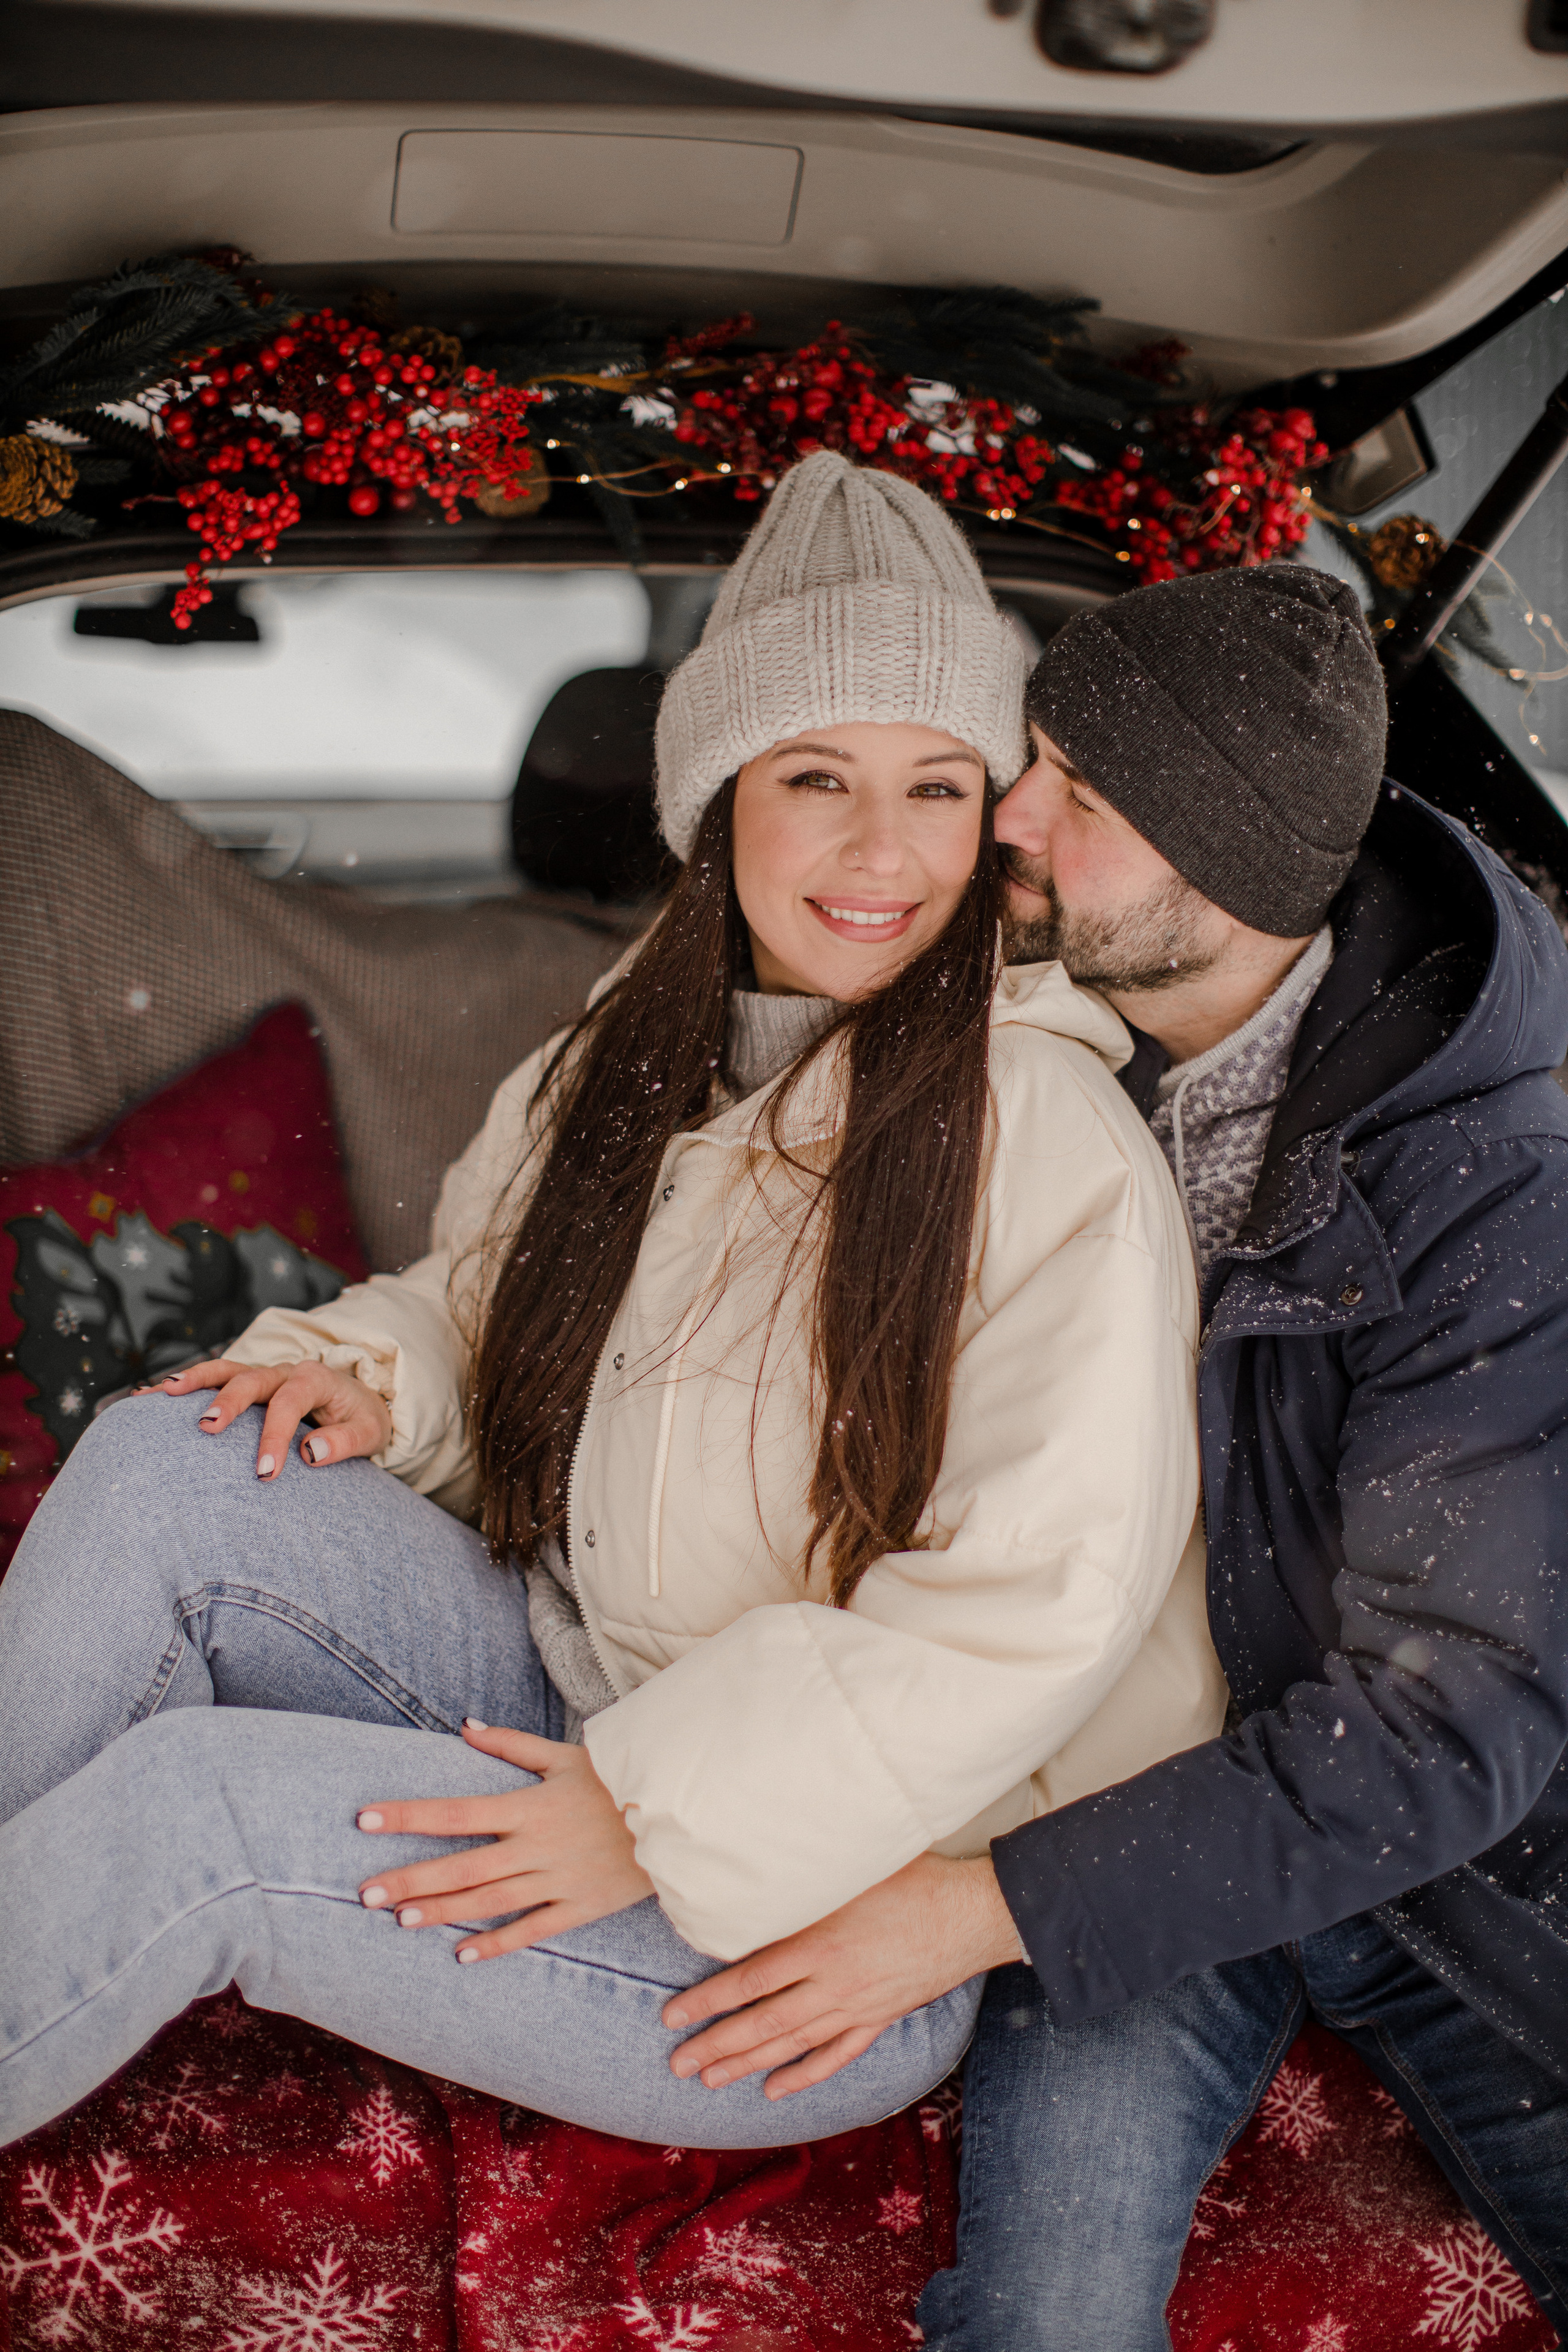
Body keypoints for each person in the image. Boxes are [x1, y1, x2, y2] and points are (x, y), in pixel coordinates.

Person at [0, 450, 1225, 2152]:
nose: (884, 850)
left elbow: (1036, 1604)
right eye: (818, 775)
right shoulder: (631, 1052)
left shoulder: (1046, 1133)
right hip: (589, 1675)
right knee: (163, 1462)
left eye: (940, 786)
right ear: (719, 798)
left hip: (819, 1900)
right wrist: (375, 1379)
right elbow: (484, 1303)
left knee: (190, 1816)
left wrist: (647, 1819)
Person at [660, 565, 1568, 2346]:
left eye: (1076, 791)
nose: (1006, 813)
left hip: (1469, 1886)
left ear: (1220, 867)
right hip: (1129, 1816)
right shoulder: (1038, 1047)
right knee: (1039, 2322)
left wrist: (971, 1912)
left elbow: (1456, 1727)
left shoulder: (1503, 1200)